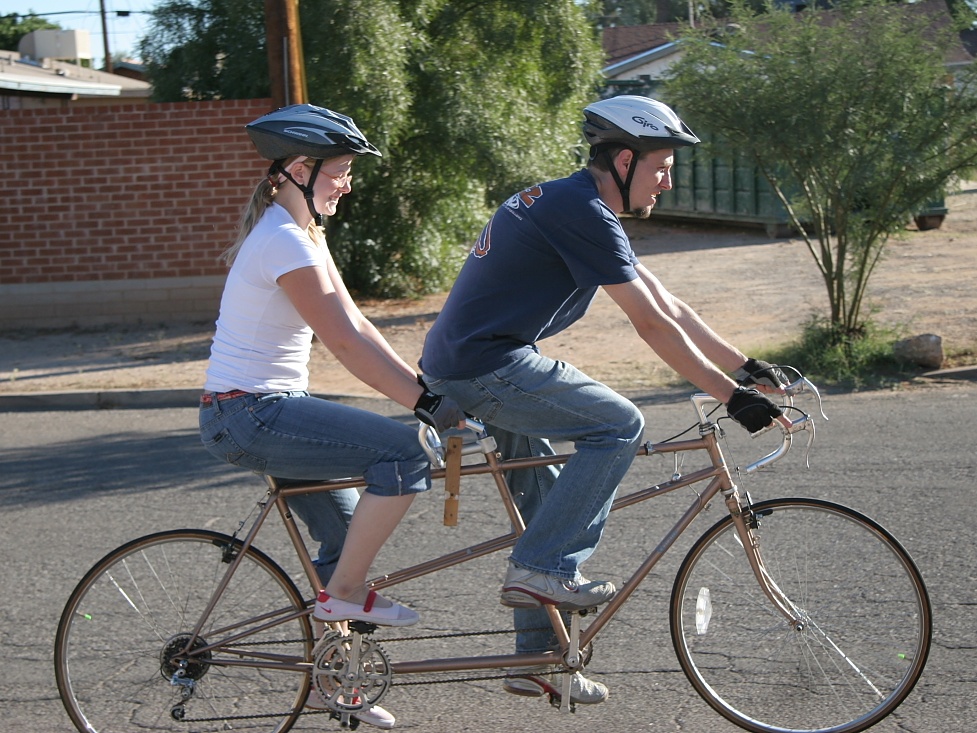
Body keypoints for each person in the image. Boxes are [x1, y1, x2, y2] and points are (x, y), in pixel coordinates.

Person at [418, 95, 787, 704]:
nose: (669, 181)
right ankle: (542, 572)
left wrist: (745, 368)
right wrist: (733, 397)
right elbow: (651, 327)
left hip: (469, 363)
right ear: (624, 159)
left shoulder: (578, 206)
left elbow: (671, 307)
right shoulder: (583, 211)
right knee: (618, 424)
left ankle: (535, 658)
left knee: (547, 493)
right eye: (662, 166)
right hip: (485, 367)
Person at [198, 103, 465, 729]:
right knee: (401, 456)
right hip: (253, 413)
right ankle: (343, 596)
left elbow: (361, 326)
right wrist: (427, 410)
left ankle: (330, 677)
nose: (347, 183)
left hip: (256, 413)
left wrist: (426, 390)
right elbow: (342, 344)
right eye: (339, 170)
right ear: (297, 169)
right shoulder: (282, 240)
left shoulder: (302, 235)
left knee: (348, 542)